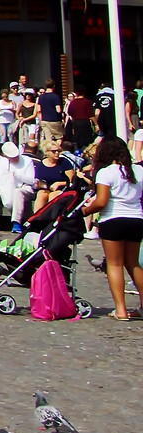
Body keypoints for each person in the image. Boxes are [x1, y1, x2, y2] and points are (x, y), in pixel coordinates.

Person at [80, 136, 143, 320]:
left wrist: (85, 211)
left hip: (113, 219)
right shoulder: (138, 170)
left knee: (114, 264)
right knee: (133, 264)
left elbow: (101, 202)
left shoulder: (106, 172)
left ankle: (121, 310)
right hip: (136, 219)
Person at [0, 141, 35, 233]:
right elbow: (0, 179)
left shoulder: (27, 160)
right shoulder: (2, 161)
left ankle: (16, 223)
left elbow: (31, 181)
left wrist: (17, 176)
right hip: (6, 188)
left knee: (18, 192)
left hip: (23, 187)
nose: (14, 158)